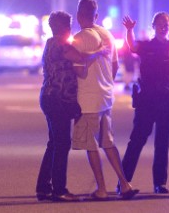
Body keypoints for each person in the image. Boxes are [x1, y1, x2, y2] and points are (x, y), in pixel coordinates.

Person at [71, 0, 138, 201]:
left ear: (78, 16)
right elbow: (115, 66)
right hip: (106, 97)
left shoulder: (80, 37)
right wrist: (105, 81)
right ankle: (124, 184)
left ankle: (101, 188)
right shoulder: (107, 35)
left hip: (87, 99)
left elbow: (79, 72)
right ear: (96, 15)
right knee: (108, 142)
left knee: (91, 144)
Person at [36, 11, 104, 202]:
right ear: (66, 26)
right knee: (62, 144)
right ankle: (59, 190)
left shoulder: (50, 43)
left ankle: (43, 187)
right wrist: (98, 52)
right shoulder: (62, 44)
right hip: (59, 99)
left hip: (48, 97)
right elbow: (80, 58)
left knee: (54, 143)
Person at [120, 12, 169, 194]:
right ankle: (123, 181)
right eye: (160, 23)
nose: (164, 25)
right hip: (147, 101)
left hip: (168, 101)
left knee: (162, 144)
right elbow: (132, 46)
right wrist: (129, 30)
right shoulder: (147, 46)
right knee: (137, 140)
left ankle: (160, 183)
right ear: (153, 26)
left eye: (167, 22)